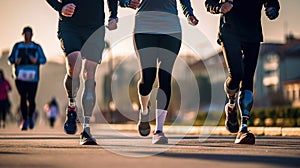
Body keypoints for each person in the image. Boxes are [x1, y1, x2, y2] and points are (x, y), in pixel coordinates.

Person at [120, 0, 199, 144]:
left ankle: (159, 130)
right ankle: (144, 111)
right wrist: (126, 2)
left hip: (171, 29)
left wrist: (189, 14)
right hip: (144, 28)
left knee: (165, 76)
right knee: (147, 80)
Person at [205, 0, 280, 144]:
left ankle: (244, 128)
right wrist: (219, 7)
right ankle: (231, 104)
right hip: (229, 31)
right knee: (236, 74)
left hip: (252, 33)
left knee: (248, 78)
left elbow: (272, 2)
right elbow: (209, 2)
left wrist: (272, 9)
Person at [46, 0, 118, 145]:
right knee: (75, 64)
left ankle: (86, 128)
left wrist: (113, 16)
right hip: (70, 26)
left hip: (95, 27)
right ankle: (72, 107)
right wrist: (60, 7)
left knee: (89, 73)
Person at [8, 26, 47, 131]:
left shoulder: (36, 47)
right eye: (25, 34)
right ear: (23, 35)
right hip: (20, 76)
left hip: (33, 77)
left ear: (32, 35)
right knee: (22, 97)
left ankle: (30, 117)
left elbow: (44, 60)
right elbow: (10, 59)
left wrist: (36, 60)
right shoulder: (17, 46)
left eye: (29, 34)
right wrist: (15, 60)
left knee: (31, 98)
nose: (27, 36)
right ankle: (24, 119)